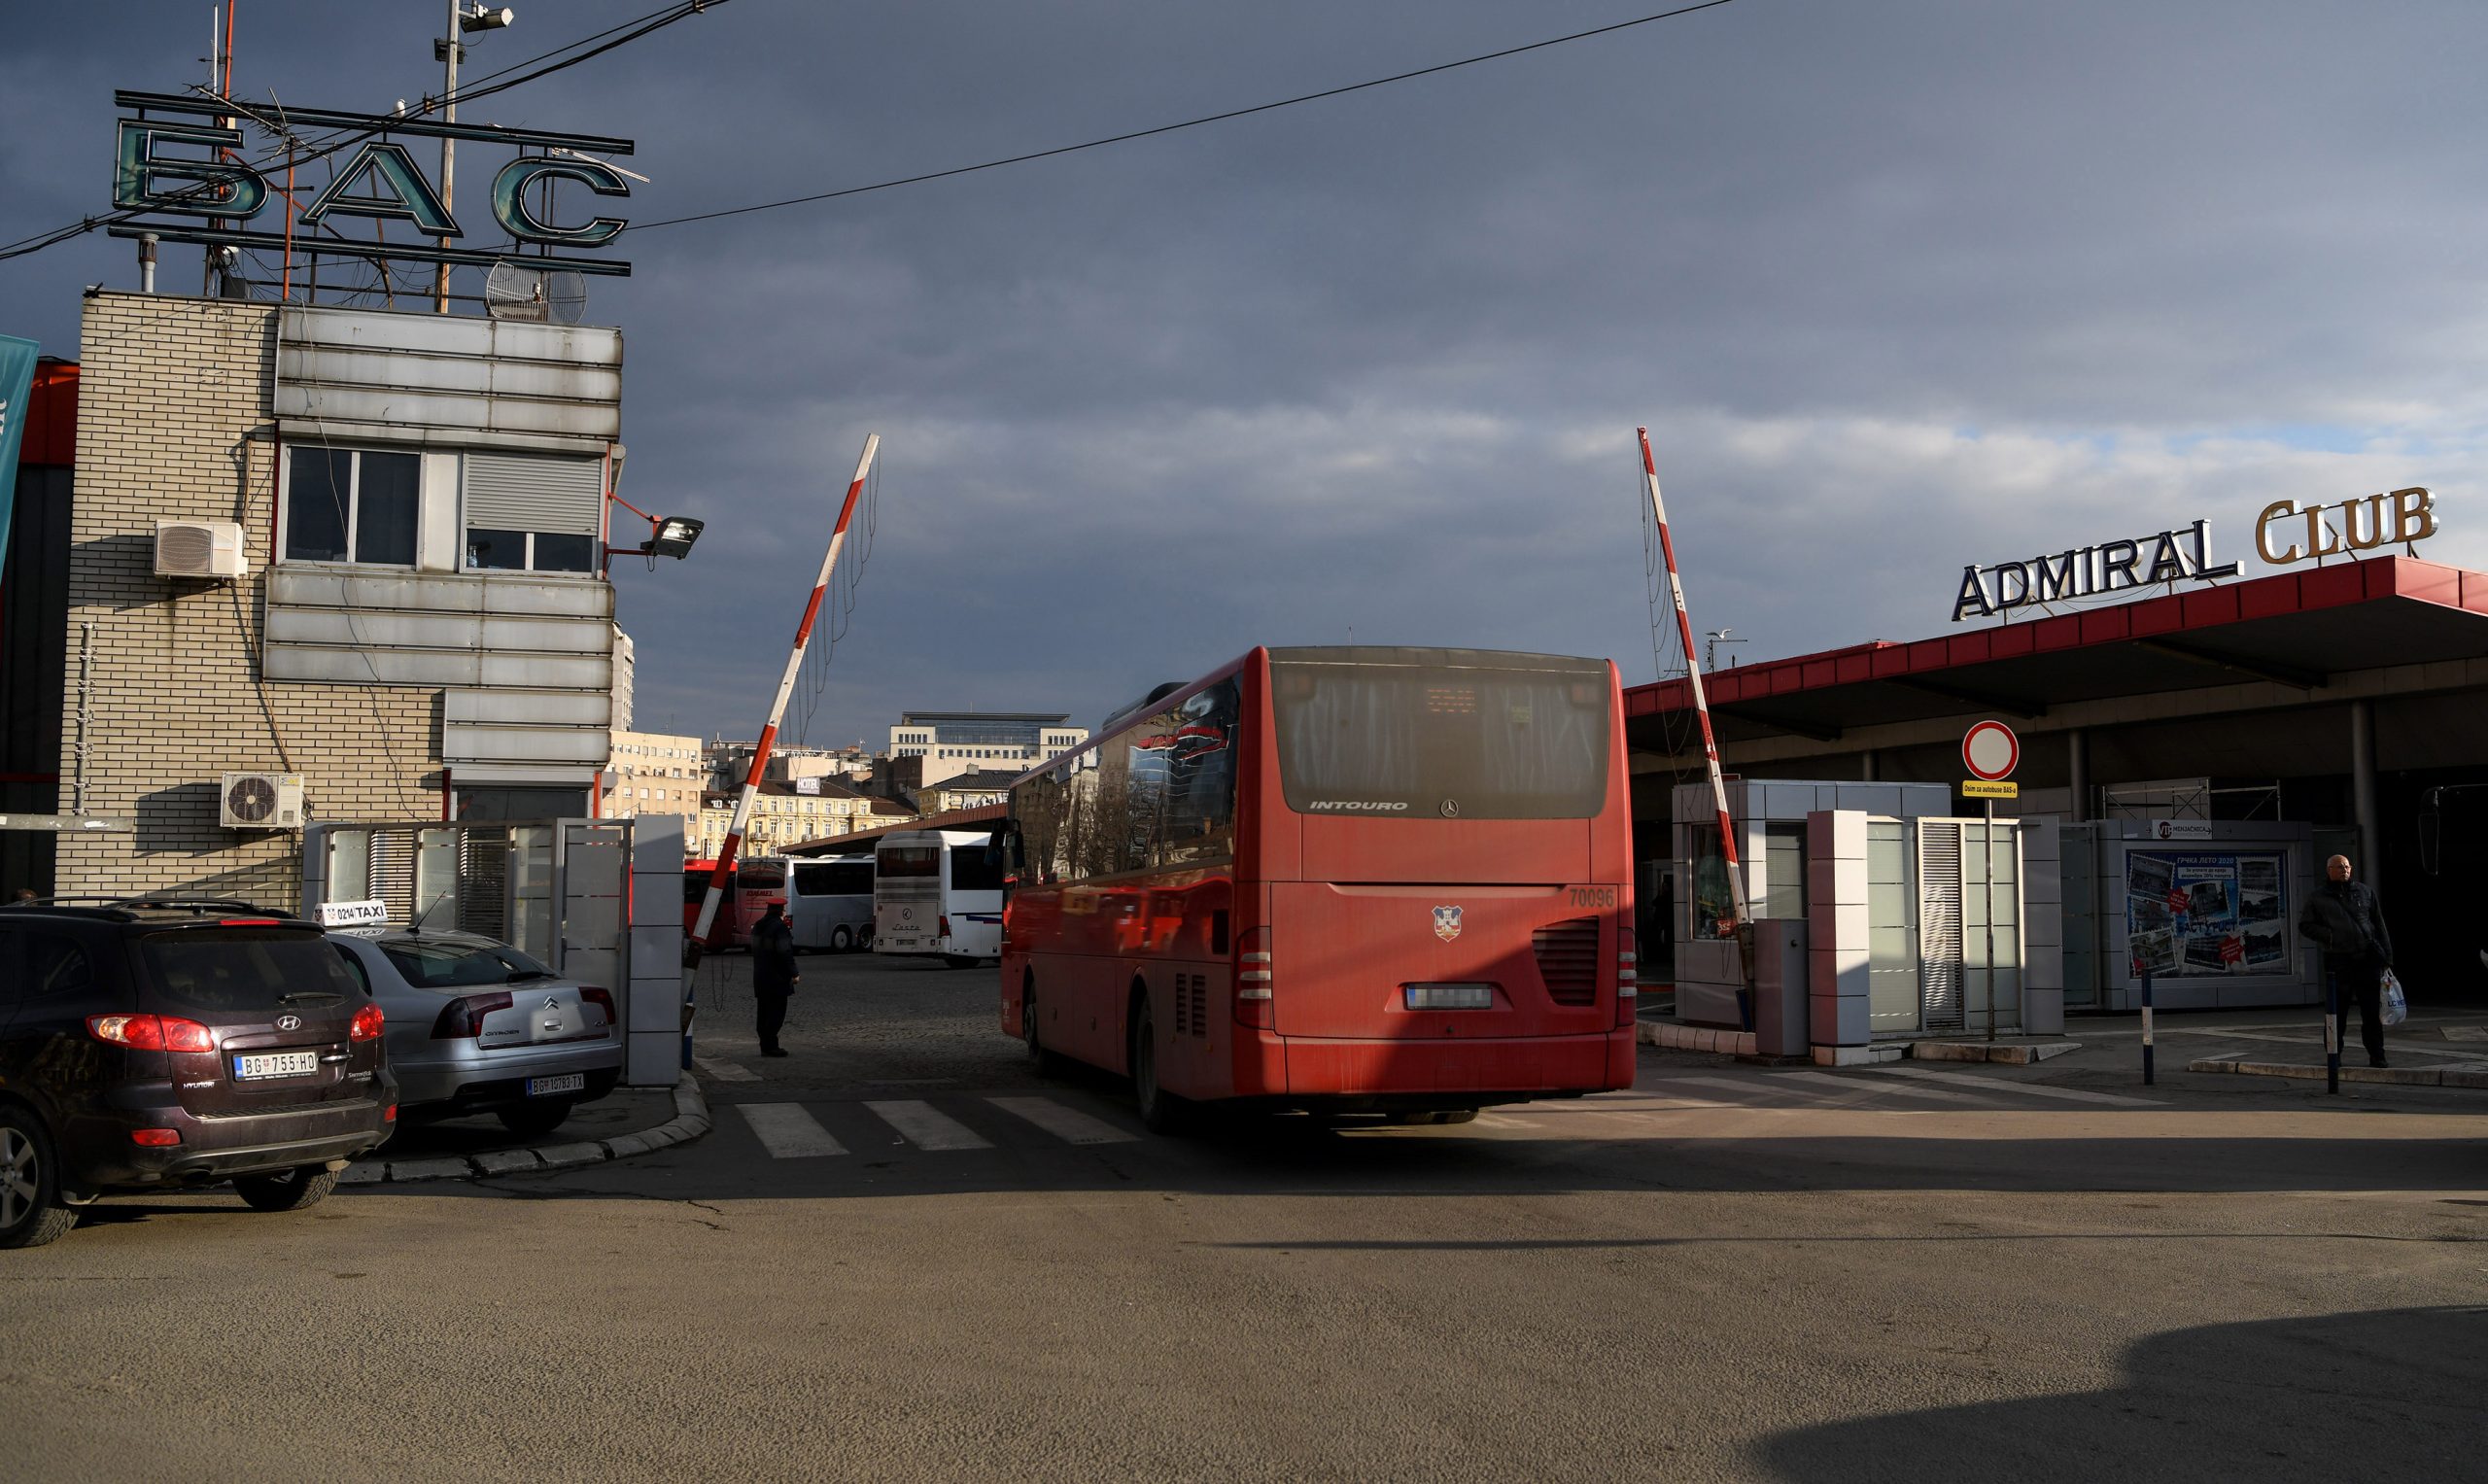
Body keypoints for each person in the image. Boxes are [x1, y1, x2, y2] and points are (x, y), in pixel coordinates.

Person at [2298, 854, 2395, 1067]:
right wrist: (2330, 936)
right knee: (2336, 1011)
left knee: (2371, 1011)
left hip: (2367, 958)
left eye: (2347, 866)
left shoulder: (2365, 892)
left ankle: (2377, 1054)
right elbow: (2305, 925)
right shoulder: (2318, 897)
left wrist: (2387, 957)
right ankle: (2334, 1054)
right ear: (2329, 870)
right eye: (2340, 867)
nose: (2345, 870)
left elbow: (2379, 924)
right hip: (2338, 959)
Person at [750, 901, 800, 1058]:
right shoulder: (780, 928)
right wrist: (794, 972)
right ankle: (771, 1046)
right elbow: (784, 952)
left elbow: (755, 949)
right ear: (781, 911)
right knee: (776, 1013)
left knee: (763, 1012)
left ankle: (765, 1045)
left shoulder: (758, 925)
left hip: (760, 975)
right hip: (777, 978)